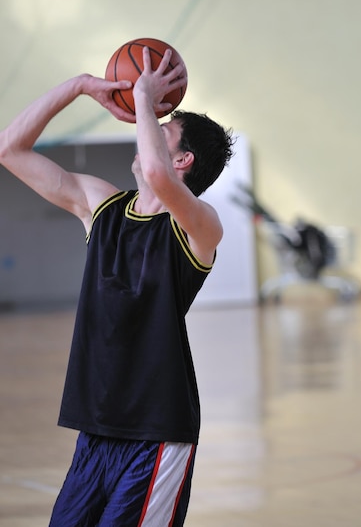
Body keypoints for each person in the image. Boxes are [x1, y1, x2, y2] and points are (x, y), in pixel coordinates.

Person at [0, 46, 234, 526]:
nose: (145, 127)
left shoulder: (199, 227)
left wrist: (145, 99)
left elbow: (156, 173)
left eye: (162, 129)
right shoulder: (101, 207)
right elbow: (10, 150)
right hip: (96, 430)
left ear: (184, 159)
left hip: (157, 432)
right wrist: (80, 86)